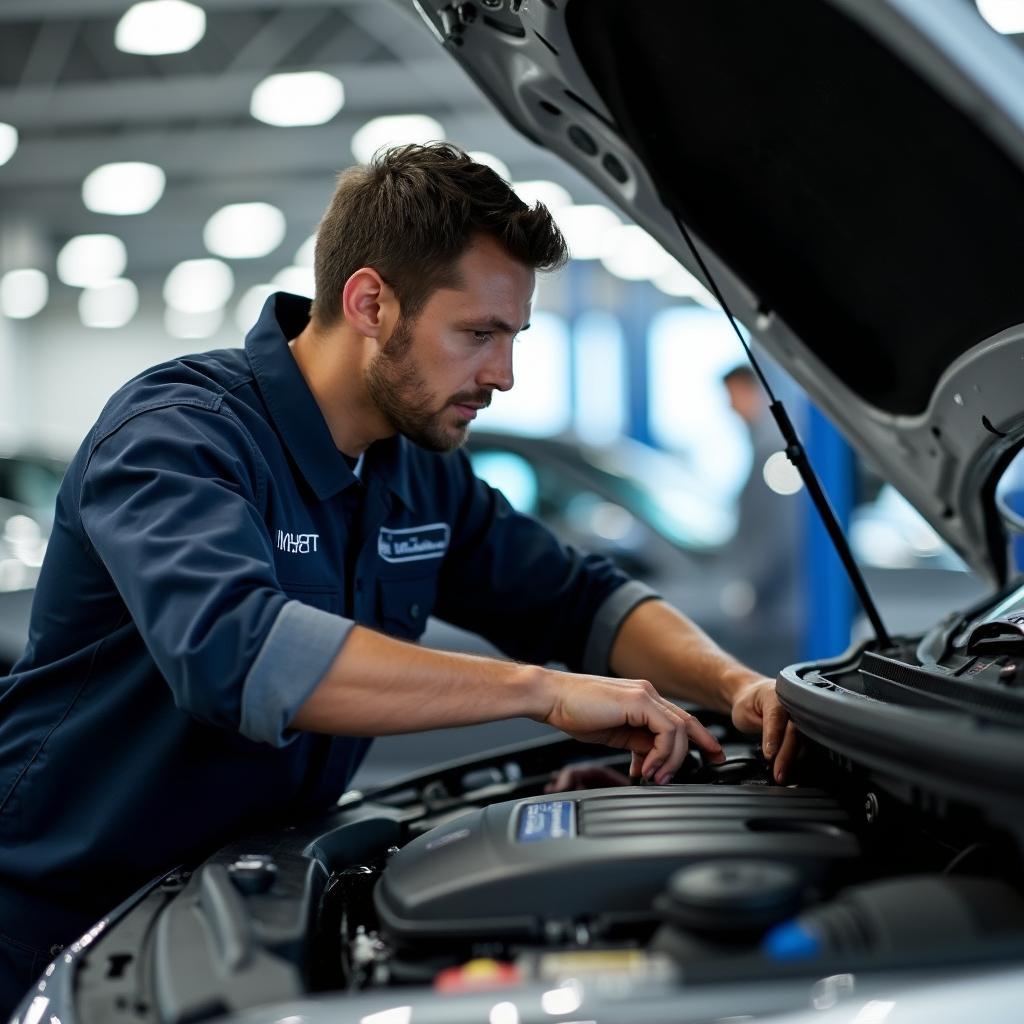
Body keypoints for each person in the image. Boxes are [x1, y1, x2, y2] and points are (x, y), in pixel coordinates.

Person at [0, 144, 794, 1013]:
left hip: (242, 894)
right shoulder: (180, 437)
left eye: (513, 337)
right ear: (371, 302)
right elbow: (243, 654)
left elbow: (579, 598)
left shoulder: (416, 471)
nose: (504, 374)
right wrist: (546, 693)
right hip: (54, 925)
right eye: (478, 333)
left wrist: (736, 684)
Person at [719, 364, 802, 671]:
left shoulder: (773, 451)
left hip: (778, 611)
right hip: (780, 606)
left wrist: (752, 591)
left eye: (732, 396)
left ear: (748, 391)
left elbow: (779, 532)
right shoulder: (767, 445)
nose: (729, 407)